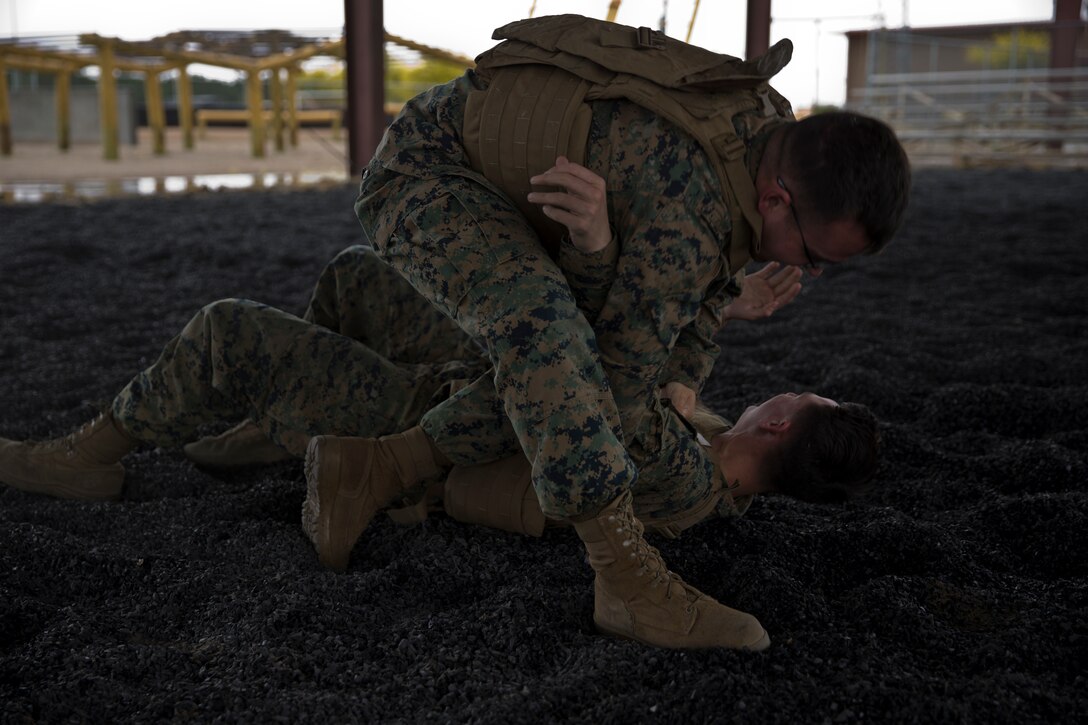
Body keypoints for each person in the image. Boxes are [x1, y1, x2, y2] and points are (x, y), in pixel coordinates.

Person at [335, 14, 910, 650]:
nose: (808, 270)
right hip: (427, 173)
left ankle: (372, 466)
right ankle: (626, 583)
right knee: (543, 327)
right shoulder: (687, 218)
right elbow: (617, 388)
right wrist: (666, 408)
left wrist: (685, 378)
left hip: (512, 188)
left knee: (560, 334)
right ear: (777, 200)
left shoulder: (763, 128)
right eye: (815, 253)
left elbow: (718, 267)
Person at [0, 248, 875, 650]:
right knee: (357, 273)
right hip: (470, 382)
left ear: (780, 426)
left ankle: (92, 455)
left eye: (794, 398)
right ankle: (278, 426)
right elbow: (660, 391)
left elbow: (607, 365)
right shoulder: (715, 463)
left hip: (440, 422)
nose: (779, 392)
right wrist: (718, 332)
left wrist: (715, 307)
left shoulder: (677, 469)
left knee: (228, 331)